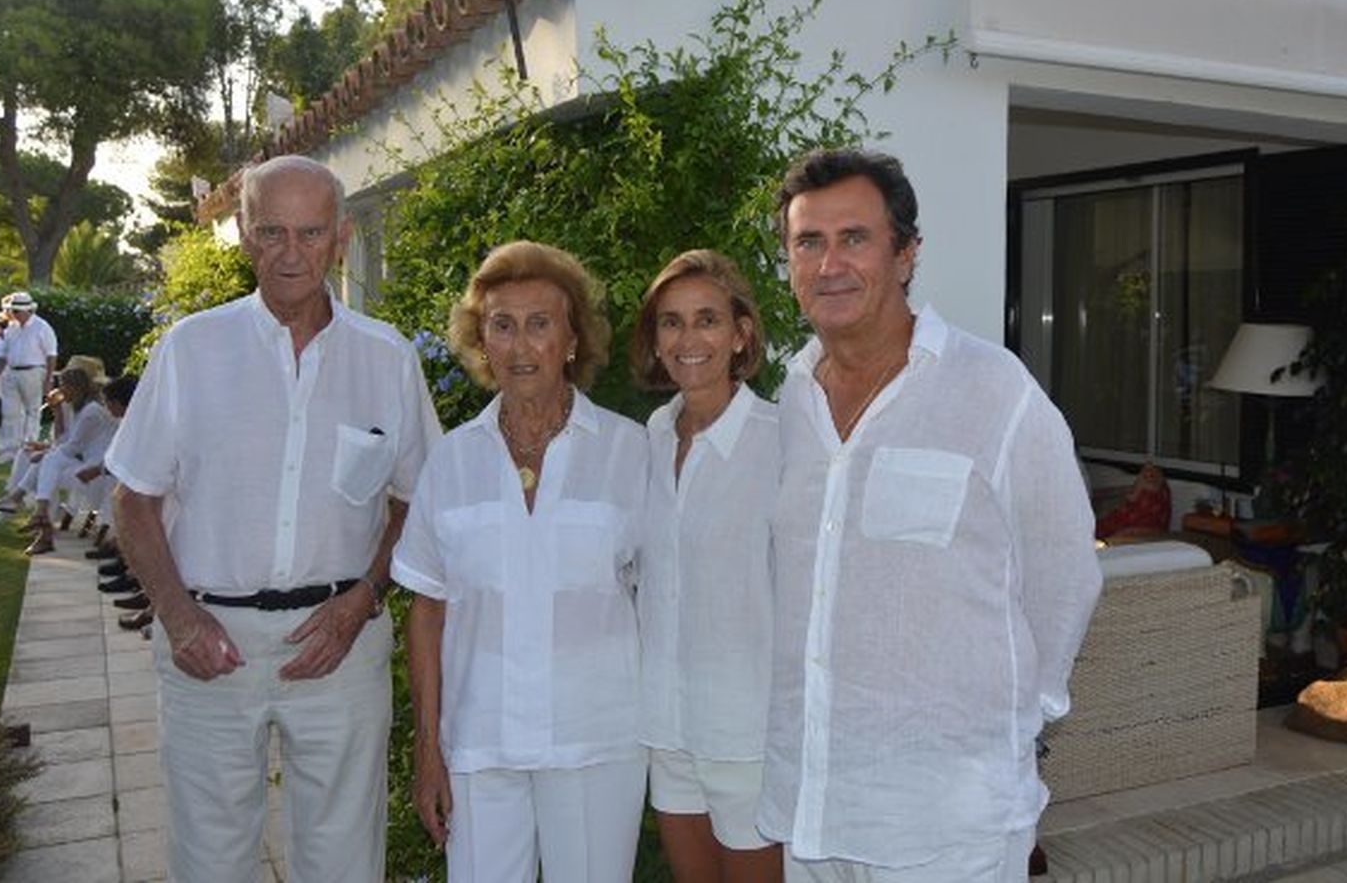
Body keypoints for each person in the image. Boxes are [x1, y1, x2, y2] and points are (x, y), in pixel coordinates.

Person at [759, 149, 1103, 883]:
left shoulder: (994, 391)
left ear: (907, 254)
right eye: (808, 243)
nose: (830, 265)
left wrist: (1021, 722)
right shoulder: (790, 400)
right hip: (812, 806)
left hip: (946, 821)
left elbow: (1065, 572)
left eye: (855, 238)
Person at [106, 154, 440, 883]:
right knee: (211, 860)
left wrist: (364, 602)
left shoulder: (386, 361)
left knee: (345, 860)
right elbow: (133, 498)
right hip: (208, 645)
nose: (291, 253)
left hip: (341, 642)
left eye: (311, 232)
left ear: (342, 237)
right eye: (272, 232)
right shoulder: (191, 350)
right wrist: (177, 616)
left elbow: (418, 501)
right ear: (244, 236)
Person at [394, 241, 648, 883]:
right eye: (502, 326)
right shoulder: (450, 462)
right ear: (482, 342)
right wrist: (429, 751)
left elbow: (664, 596)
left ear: (572, 339)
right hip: (480, 745)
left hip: (596, 741)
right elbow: (427, 612)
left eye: (540, 324)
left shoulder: (629, 452)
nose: (520, 345)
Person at [631, 250, 782, 882]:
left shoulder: (781, 440)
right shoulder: (649, 437)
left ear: (741, 332)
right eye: (671, 322)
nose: (688, 340)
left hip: (746, 731)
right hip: (666, 724)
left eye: (707, 320)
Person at [22, 364, 112, 555]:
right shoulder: (78, 408)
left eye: (63, 385)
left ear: (76, 387)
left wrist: (47, 453)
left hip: (98, 475)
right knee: (48, 463)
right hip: (87, 468)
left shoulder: (91, 411)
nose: (60, 390)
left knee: (48, 463)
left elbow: (72, 448)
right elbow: (64, 442)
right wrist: (57, 413)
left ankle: (40, 519)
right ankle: (41, 517)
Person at [0, 291, 58, 463]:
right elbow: (3, 355)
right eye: (13, 311)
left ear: (27, 311)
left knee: (32, 411)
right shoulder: (11, 328)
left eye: (16, 311)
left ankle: (28, 448)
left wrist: (48, 379)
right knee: (9, 412)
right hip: (11, 372)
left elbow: (51, 355)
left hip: (33, 372)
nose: (13, 314)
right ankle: (8, 451)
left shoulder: (42, 327)